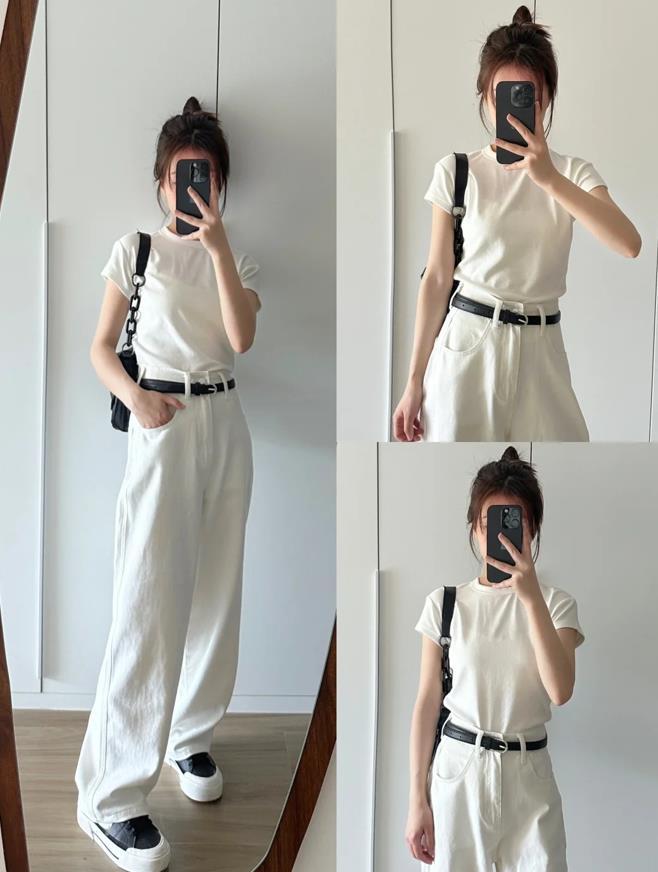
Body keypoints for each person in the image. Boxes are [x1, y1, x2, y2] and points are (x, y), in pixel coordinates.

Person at [75, 96, 261, 872]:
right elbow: (99, 347)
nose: (194, 188)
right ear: (161, 182)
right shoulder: (136, 250)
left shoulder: (237, 259)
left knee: (217, 592)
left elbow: (241, 337)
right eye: (183, 176)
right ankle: (111, 797)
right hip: (164, 424)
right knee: (148, 601)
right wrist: (138, 398)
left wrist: (216, 246)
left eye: (207, 176)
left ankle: (191, 735)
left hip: (227, 425)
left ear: (222, 185)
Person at [393, 5, 641, 443]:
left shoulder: (572, 173)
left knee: (564, 456)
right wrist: (413, 382)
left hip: (543, 348)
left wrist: (548, 179)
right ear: (485, 97)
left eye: (529, 97)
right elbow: (437, 278)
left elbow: (628, 243)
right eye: (502, 95)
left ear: (545, 100)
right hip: (468, 343)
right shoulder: (458, 171)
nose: (513, 110)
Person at [406, 446, 584, 871]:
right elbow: (427, 703)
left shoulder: (556, 605)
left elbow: (560, 690)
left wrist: (530, 597)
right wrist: (416, 800)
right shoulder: (445, 604)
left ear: (532, 528)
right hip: (459, 772)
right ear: (474, 528)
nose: (500, 536)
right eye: (489, 524)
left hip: (529, 776)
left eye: (514, 523)